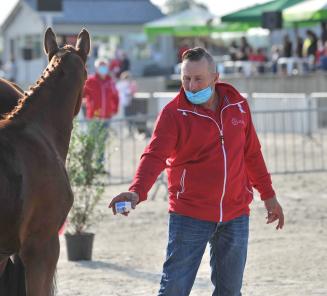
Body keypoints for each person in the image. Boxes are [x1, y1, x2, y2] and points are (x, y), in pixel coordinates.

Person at [109, 47, 284, 296]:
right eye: (185, 79)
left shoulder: (238, 106)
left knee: (230, 291)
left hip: (235, 214)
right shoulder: (173, 113)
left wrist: (269, 197)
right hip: (190, 214)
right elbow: (154, 155)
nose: (190, 86)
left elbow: (252, 154)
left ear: (215, 77)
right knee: (174, 290)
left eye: (198, 79)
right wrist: (136, 191)